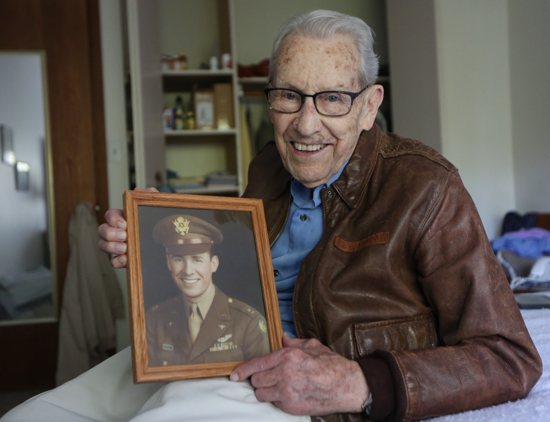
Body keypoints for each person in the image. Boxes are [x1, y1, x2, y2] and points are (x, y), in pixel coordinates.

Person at [4, 9, 541, 422]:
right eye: (288, 96)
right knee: (32, 413)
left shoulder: (426, 188)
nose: (305, 125)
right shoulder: (268, 166)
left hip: (275, 376)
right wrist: (147, 245)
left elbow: (511, 357)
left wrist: (358, 382)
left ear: (370, 105)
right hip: (203, 346)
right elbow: (233, 273)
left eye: (332, 98)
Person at [146, 214, 270, 366]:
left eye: (197, 259)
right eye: (178, 259)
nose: (188, 271)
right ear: (168, 263)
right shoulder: (154, 320)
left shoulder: (248, 322)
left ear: (213, 264)